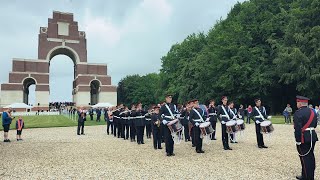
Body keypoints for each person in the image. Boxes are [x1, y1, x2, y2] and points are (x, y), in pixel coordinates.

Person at [294, 96, 318, 180]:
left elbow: (297, 128)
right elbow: (314, 125)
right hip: (312, 136)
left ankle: (308, 177)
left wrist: (298, 140)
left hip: (303, 137)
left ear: (300, 103)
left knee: (304, 158)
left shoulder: (298, 113)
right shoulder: (313, 111)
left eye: (297, 102)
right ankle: (306, 175)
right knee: (310, 156)